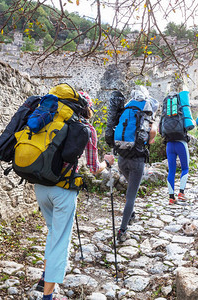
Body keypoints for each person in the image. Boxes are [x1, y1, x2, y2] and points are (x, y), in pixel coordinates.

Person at [36, 91, 114, 300]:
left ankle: (45, 277)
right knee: (61, 240)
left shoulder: (47, 120)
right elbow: (93, 167)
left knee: (53, 232)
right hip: (63, 191)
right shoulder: (86, 129)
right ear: (85, 108)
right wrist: (107, 163)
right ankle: (47, 296)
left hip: (40, 185)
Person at [107, 87, 158, 243]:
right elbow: (152, 135)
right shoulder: (147, 114)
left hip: (122, 159)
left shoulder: (126, 110)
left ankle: (132, 214)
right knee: (131, 196)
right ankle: (122, 230)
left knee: (131, 188)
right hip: (137, 160)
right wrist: (149, 140)